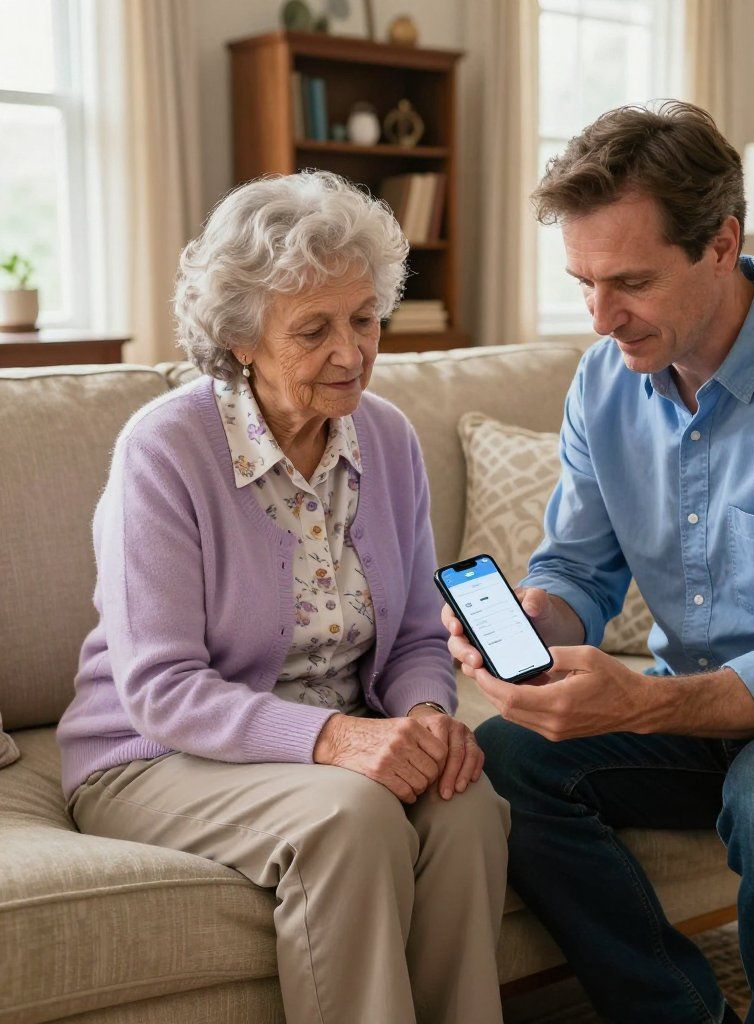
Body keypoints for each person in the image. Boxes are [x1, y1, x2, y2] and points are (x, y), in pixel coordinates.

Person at [444, 103, 754, 1024]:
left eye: (630, 281)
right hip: (697, 711)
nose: (601, 318)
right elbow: (580, 574)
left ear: (722, 244)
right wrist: (528, 622)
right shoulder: (605, 380)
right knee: (510, 759)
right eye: (583, 282)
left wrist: (638, 701)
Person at [58, 171, 509, 1024]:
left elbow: (415, 634)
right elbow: (158, 690)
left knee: (466, 803)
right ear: (241, 342)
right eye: (314, 329)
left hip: (343, 741)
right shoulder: (165, 452)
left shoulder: (389, 438)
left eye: (364, 318)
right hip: (157, 755)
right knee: (355, 818)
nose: (352, 352)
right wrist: (336, 739)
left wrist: (421, 719)